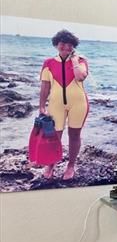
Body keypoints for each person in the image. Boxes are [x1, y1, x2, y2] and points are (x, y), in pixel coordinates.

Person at [37, 29, 89, 180]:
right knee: (54, 137)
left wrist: (73, 60)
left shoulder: (81, 61)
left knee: (74, 135)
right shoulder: (49, 63)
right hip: (56, 105)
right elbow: (45, 86)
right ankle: (50, 164)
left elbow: (80, 77)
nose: (66, 47)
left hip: (78, 104)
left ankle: (71, 165)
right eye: (63, 43)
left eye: (70, 44)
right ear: (56, 44)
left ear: (74, 46)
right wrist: (41, 106)